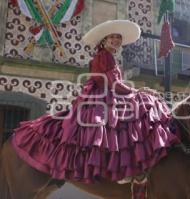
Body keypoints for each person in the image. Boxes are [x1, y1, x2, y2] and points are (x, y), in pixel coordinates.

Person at [11, 20, 180, 183]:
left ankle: (132, 167)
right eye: (113, 37)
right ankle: (128, 168)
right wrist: (137, 91)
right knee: (142, 107)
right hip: (102, 96)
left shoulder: (108, 57)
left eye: (119, 38)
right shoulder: (104, 56)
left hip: (108, 94)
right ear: (104, 40)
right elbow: (112, 83)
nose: (116, 40)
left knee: (131, 118)